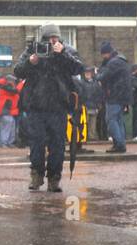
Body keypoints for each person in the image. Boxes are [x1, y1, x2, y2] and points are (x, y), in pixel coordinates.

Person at [14, 23, 84, 191]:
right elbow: (17, 71)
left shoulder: (66, 50)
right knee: (36, 144)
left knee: (58, 145)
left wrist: (62, 55)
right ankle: (36, 176)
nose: (52, 42)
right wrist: (31, 62)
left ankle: (54, 178)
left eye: (55, 38)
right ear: (43, 38)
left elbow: (78, 68)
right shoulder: (34, 49)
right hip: (36, 106)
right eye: (49, 38)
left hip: (58, 106)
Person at [95, 40, 131, 153]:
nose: (103, 56)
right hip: (123, 96)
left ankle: (119, 144)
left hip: (115, 95)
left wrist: (97, 75)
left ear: (107, 53)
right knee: (118, 120)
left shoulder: (113, 62)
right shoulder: (122, 61)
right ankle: (120, 144)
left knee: (111, 120)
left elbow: (104, 76)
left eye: (103, 54)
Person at [0, 71, 21, 148]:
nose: (13, 81)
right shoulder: (5, 85)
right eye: (11, 80)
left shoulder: (6, 85)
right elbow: (14, 91)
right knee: (6, 125)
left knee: (11, 124)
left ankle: (9, 142)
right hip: (6, 108)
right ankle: (4, 142)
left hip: (10, 109)